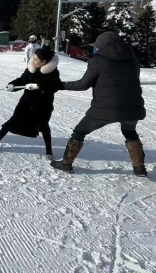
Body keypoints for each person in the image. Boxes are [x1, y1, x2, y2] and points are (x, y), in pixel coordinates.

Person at [51, 31, 146, 175]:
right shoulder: (133, 59)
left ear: (100, 45)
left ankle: (66, 163)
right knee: (129, 131)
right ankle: (139, 168)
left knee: (80, 131)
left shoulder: (98, 61)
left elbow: (83, 84)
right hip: (133, 107)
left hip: (105, 109)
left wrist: (60, 85)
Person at [0, 45, 60, 157]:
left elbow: (55, 87)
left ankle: (49, 151)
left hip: (42, 106)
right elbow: (22, 80)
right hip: (26, 102)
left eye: (36, 59)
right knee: (10, 123)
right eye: (33, 58)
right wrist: (12, 85)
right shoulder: (30, 69)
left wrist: (38, 87)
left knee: (44, 127)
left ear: (44, 62)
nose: (33, 61)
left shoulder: (53, 73)